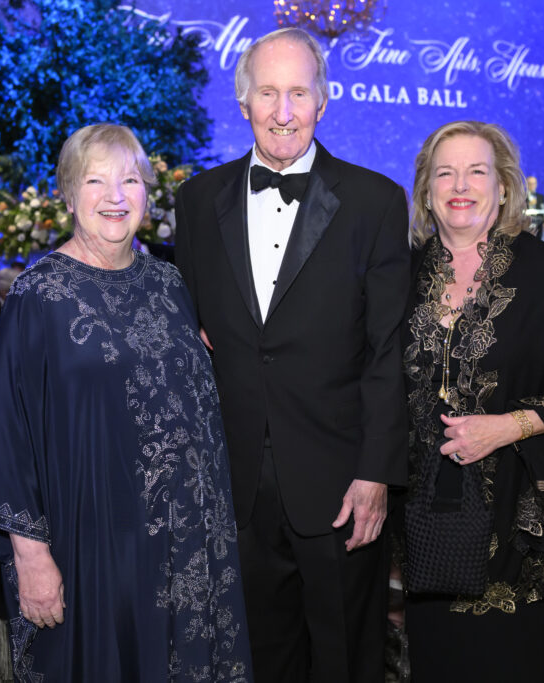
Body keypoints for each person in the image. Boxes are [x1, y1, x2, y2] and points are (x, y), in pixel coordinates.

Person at [0, 123, 251, 681]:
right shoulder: (38, 296)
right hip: (94, 545)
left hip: (185, 542)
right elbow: (5, 432)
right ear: (69, 196)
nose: (116, 196)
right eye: (96, 181)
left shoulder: (169, 283)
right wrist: (31, 557)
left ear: (148, 191)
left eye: (130, 180)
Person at [175, 27, 410, 683]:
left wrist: (377, 474)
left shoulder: (375, 202)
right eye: (269, 93)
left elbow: (390, 350)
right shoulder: (197, 202)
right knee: (262, 656)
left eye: (299, 93)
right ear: (244, 102)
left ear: (323, 101)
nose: (284, 111)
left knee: (346, 657)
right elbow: (192, 333)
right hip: (236, 483)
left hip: (340, 484)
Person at [398, 120, 544, 681]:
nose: (460, 185)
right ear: (426, 189)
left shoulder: (542, 273)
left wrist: (509, 425)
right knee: (434, 661)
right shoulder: (404, 274)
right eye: (445, 172)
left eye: (477, 172)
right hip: (423, 523)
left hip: (511, 525)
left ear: (503, 188)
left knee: (501, 662)